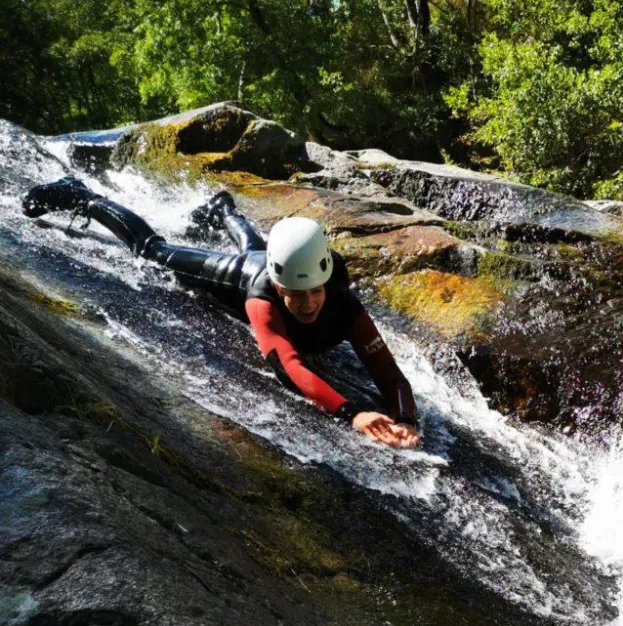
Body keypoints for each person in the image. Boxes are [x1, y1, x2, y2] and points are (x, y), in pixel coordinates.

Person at [22, 177, 420, 448]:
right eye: (295, 295)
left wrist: (406, 421)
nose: (307, 303)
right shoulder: (261, 296)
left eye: (314, 292)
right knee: (155, 252)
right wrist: (351, 413)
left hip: (265, 259)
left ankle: (223, 209)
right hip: (240, 274)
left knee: (257, 247)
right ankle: (84, 197)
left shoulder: (343, 302)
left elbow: (390, 375)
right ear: (280, 288)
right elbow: (288, 366)